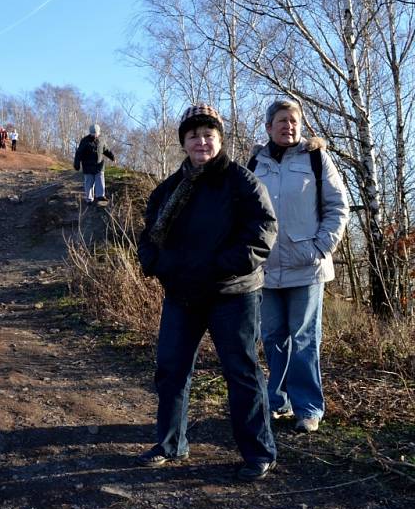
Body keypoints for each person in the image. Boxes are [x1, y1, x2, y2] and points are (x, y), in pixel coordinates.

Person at [137, 104, 279, 482]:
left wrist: (220, 264)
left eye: (209, 135)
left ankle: (259, 453)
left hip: (232, 294)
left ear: (220, 139)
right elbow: (149, 235)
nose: (202, 141)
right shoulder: (168, 189)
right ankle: (171, 443)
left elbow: (263, 232)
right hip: (182, 294)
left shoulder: (242, 182)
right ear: (184, 142)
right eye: (194, 135)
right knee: (171, 370)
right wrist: (153, 263)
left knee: (241, 372)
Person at [250, 99, 349, 433]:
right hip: (265, 269)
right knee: (273, 337)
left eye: (293, 121)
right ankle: (278, 403)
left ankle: (308, 408)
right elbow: (244, 211)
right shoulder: (255, 162)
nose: (288, 126)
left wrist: (321, 246)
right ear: (268, 127)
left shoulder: (316, 158)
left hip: (307, 267)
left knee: (304, 338)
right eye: (281, 120)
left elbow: (338, 206)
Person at [73, 124, 115, 204]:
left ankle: (100, 196)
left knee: (100, 180)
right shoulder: (84, 141)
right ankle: (89, 199)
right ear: (90, 133)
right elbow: (79, 153)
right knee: (89, 182)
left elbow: (106, 150)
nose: (95, 134)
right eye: (93, 133)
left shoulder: (101, 140)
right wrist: (77, 163)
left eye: (96, 133)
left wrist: (112, 157)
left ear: (99, 132)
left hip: (99, 165)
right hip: (88, 166)